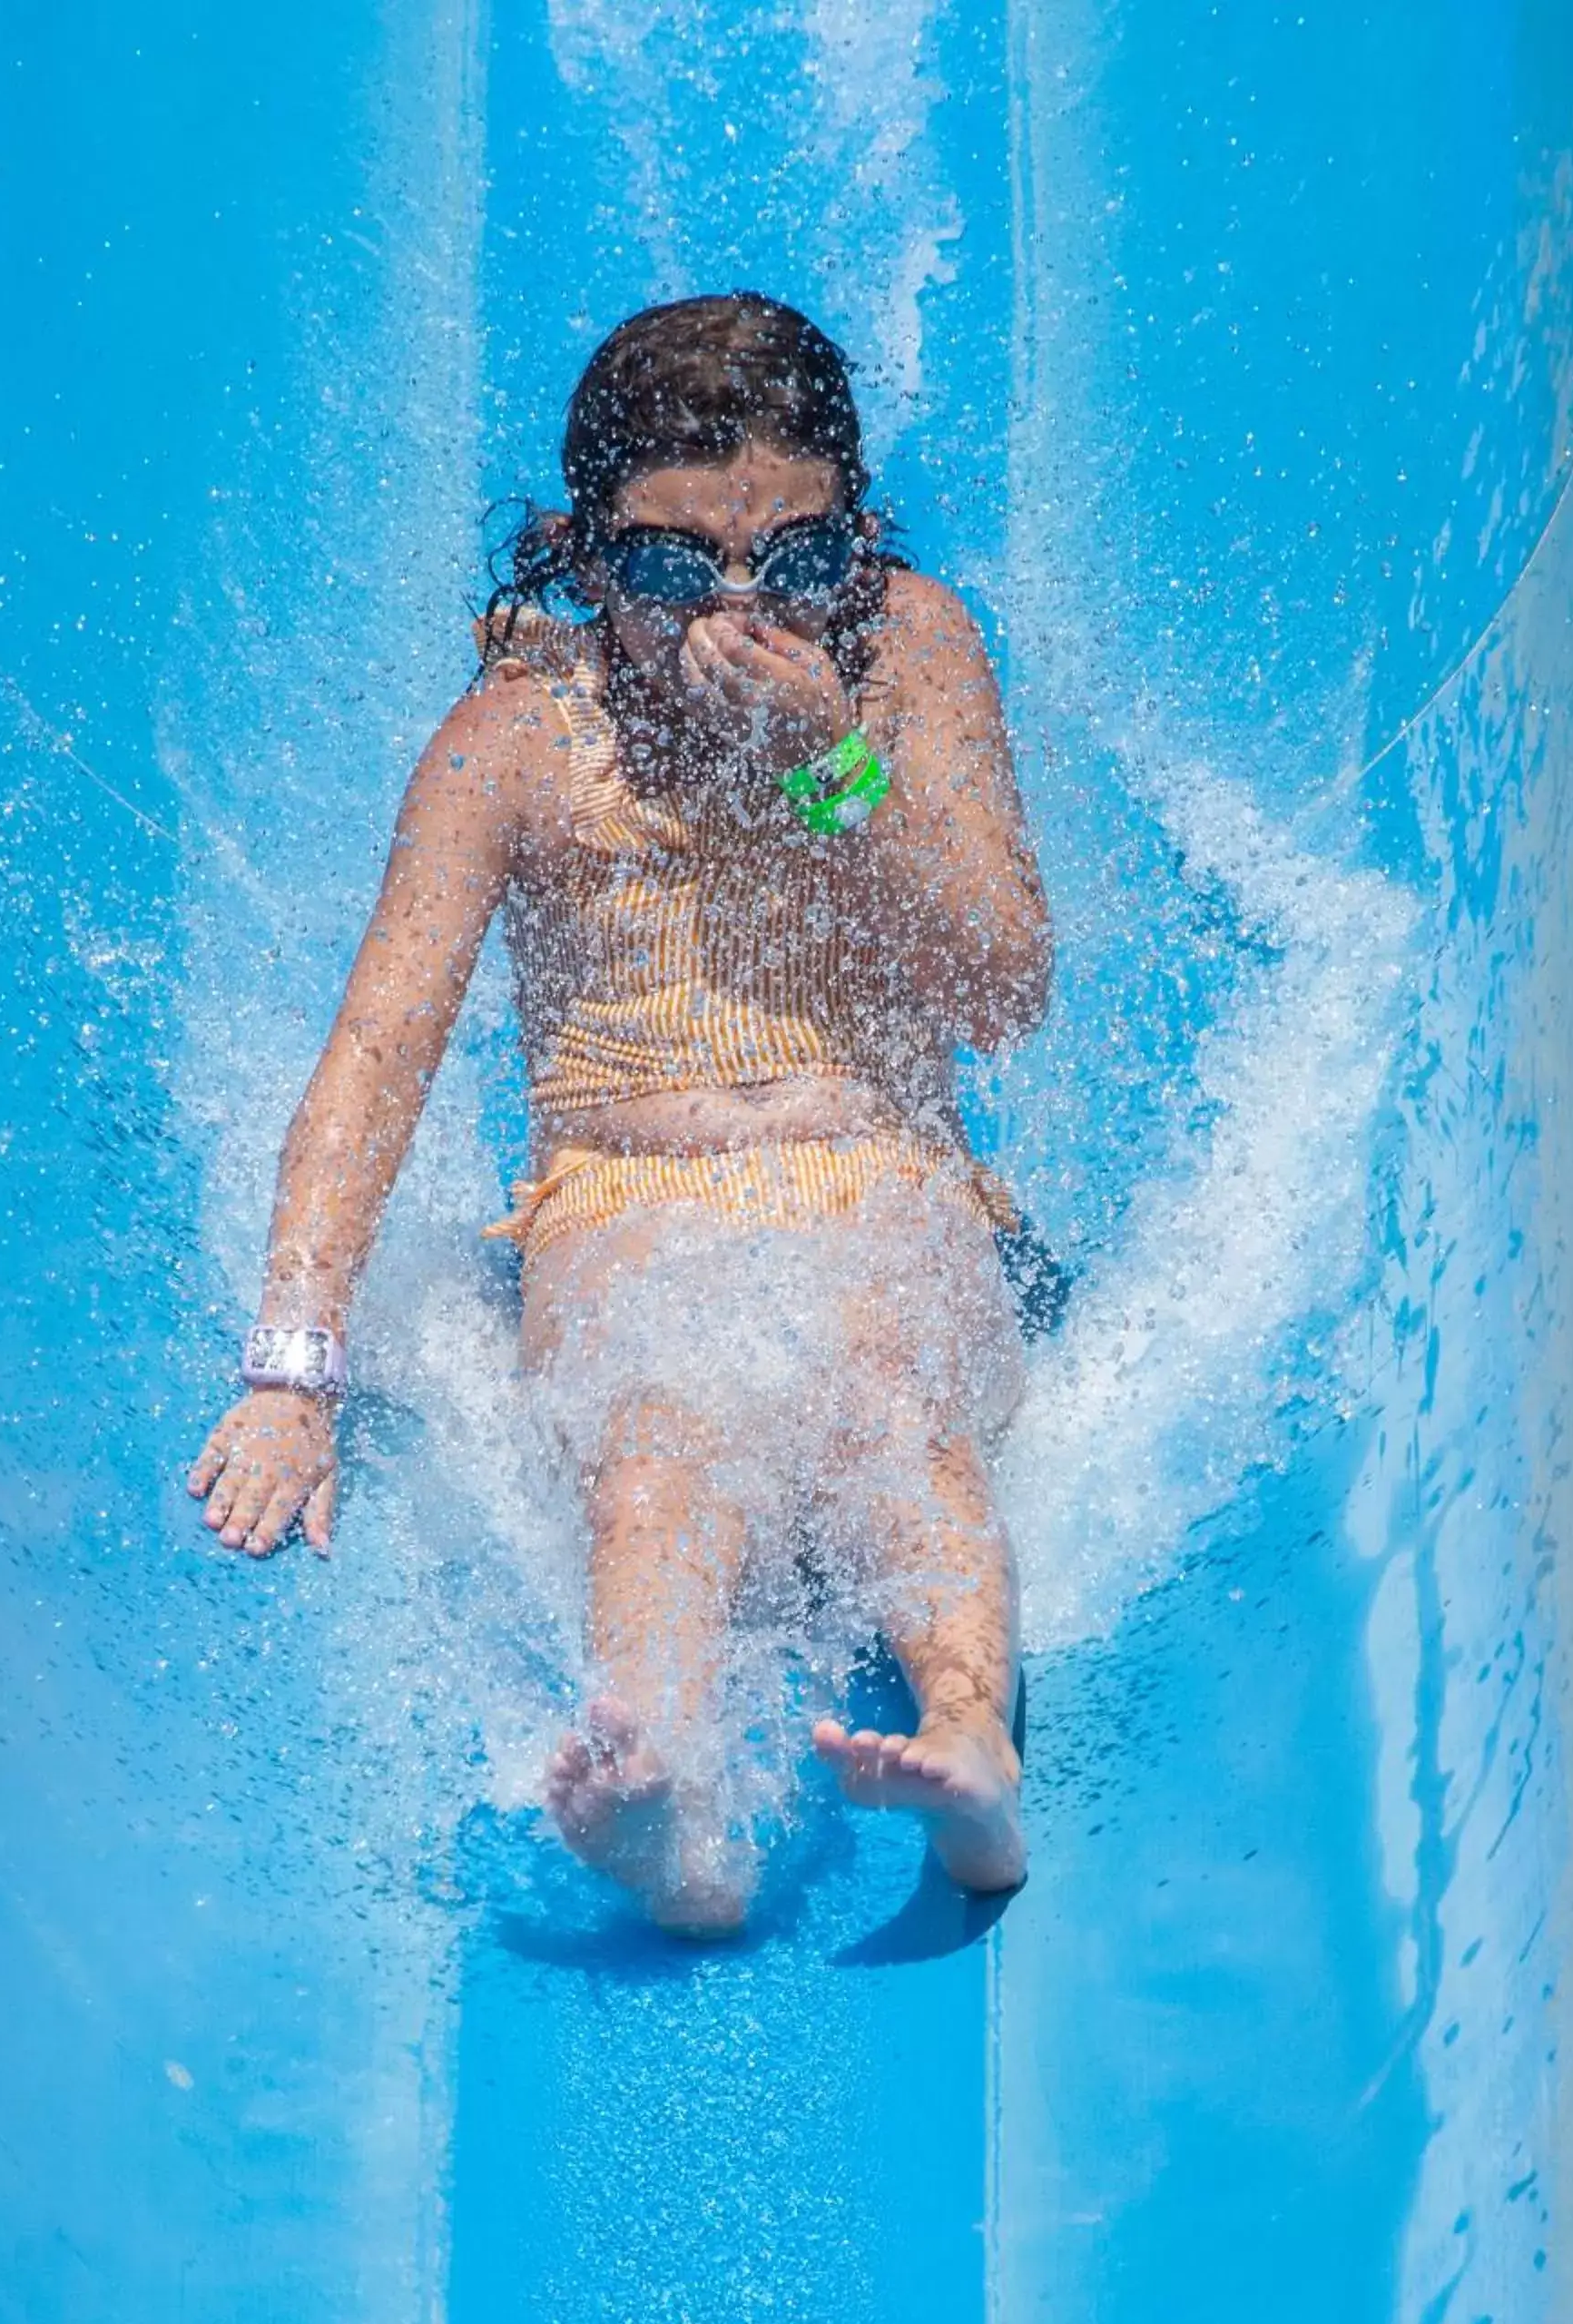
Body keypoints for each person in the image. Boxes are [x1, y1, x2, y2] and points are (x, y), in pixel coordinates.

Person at [188, 292, 1051, 1935]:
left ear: (855, 544)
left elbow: (1001, 986)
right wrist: (293, 1368)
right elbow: (378, 1053)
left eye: (792, 564)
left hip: (879, 1169)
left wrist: (832, 763)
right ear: (587, 559)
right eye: (670, 569)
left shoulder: (912, 652)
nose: (734, 611)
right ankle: (665, 1795)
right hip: (623, 1195)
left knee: (895, 1408)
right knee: (658, 1448)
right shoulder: (516, 741)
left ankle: (969, 1738)